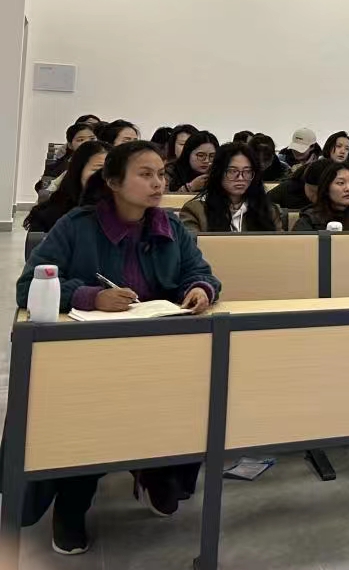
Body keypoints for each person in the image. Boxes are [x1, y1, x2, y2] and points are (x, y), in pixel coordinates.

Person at [17, 140, 220, 553]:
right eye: (145, 175)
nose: (158, 183)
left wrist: (200, 288)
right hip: (92, 355)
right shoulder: (77, 225)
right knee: (89, 419)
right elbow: (28, 286)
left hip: (159, 352)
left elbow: (200, 272)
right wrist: (91, 296)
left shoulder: (170, 226)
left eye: (161, 174)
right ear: (113, 182)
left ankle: (157, 472)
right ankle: (72, 502)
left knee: (200, 396)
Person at [179, 143, 284, 234]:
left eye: (247, 171)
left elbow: (279, 245)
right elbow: (192, 247)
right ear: (219, 173)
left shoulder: (269, 210)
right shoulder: (195, 211)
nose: (241, 178)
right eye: (233, 171)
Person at [25, 141, 109, 233]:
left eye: (111, 171)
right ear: (78, 171)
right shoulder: (49, 216)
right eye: (98, 169)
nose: (104, 176)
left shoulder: (117, 213)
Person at [268, 158, 334, 211]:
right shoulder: (287, 189)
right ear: (305, 183)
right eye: (313, 192)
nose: (317, 199)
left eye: (322, 193)